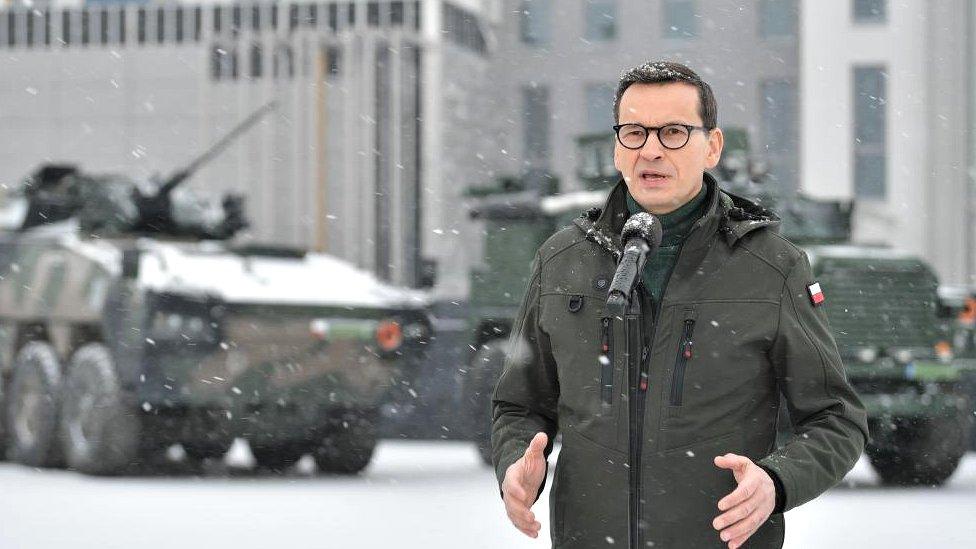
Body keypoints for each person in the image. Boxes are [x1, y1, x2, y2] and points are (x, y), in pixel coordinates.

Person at [490, 61, 868, 549]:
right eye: (634, 132)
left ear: (711, 146)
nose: (650, 149)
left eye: (672, 132)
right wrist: (517, 461)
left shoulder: (772, 266)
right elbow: (519, 404)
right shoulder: (561, 260)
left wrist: (775, 483)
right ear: (616, 147)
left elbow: (836, 417)